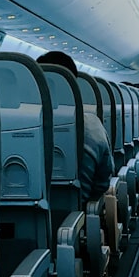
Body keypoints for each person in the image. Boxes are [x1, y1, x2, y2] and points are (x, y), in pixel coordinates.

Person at [36, 51, 113, 203]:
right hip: (77, 216)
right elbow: (102, 183)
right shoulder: (92, 125)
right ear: (74, 85)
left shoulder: (17, 127)